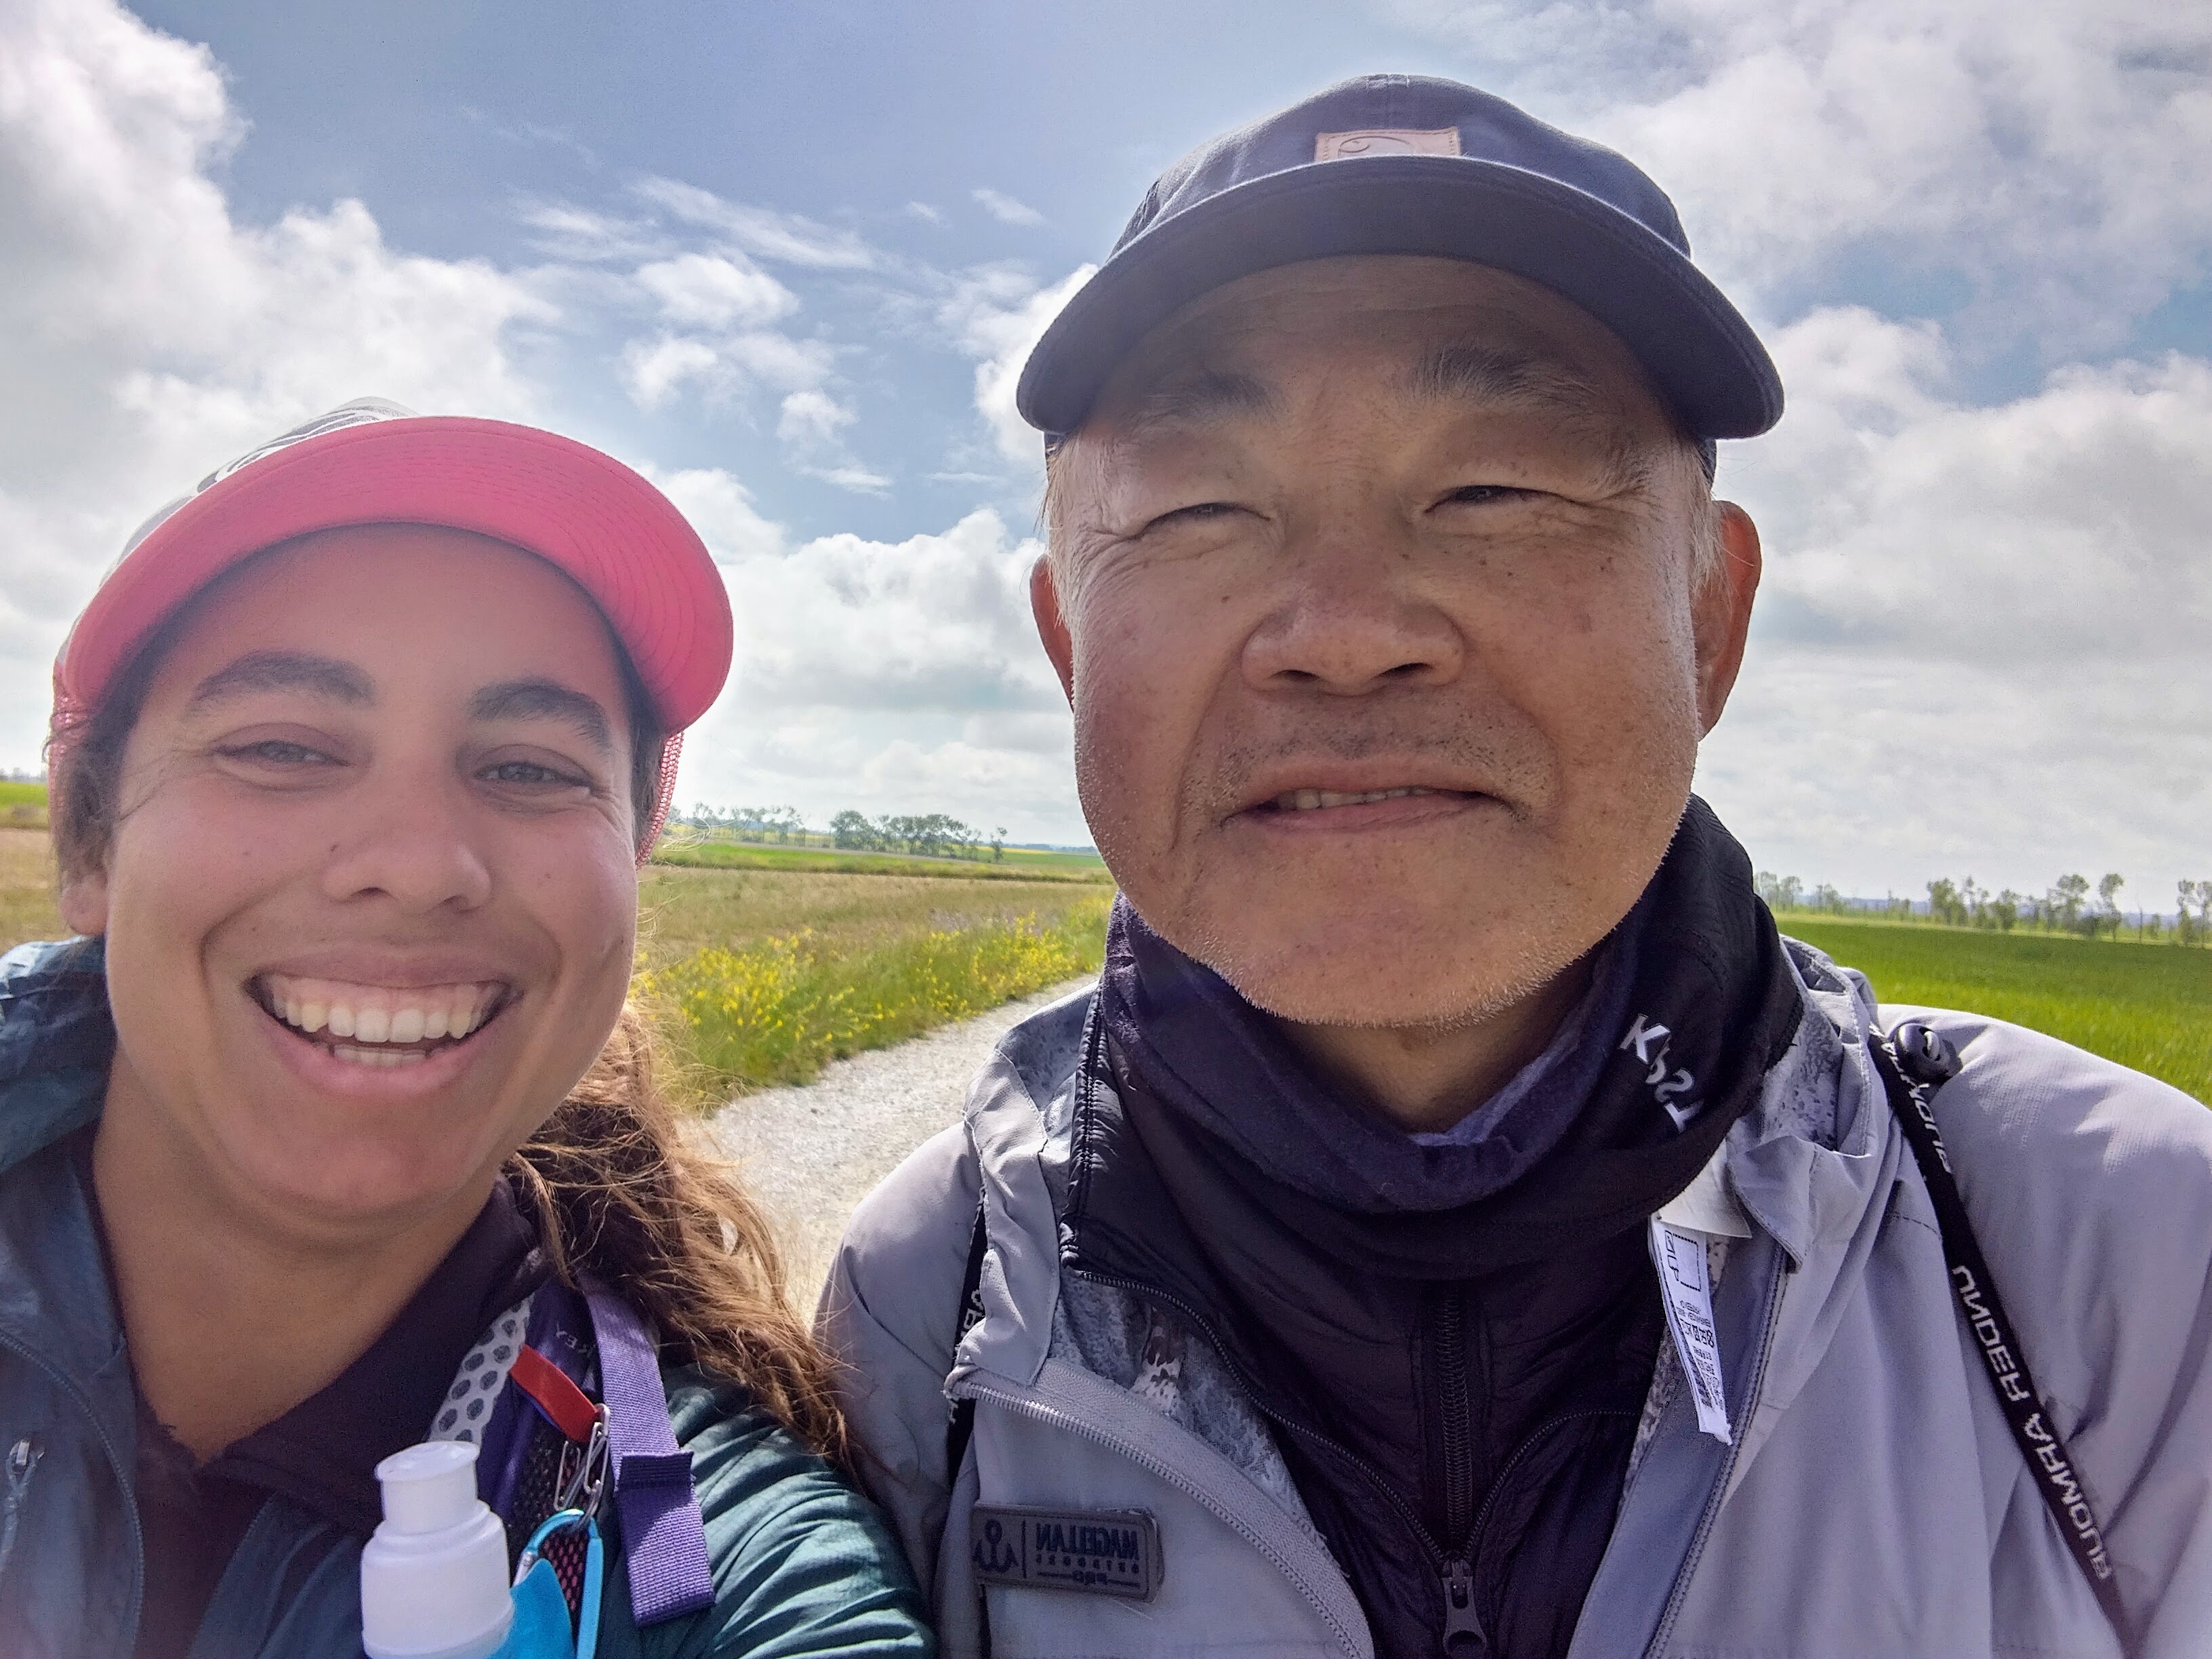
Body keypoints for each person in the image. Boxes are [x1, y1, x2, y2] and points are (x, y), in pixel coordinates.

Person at [817, 75, 2212, 1659]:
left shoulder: (2120, 1263)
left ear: (1709, 617)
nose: (1348, 633)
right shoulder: (925, 1306)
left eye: (1494, 491)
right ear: (1069, 644)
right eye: (1199, 508)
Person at [1, 400, 934, 1658]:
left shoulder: (698, 1554)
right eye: (282, 746)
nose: (420, 863)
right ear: (90, 841)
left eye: (530, 767)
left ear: (632, 856)